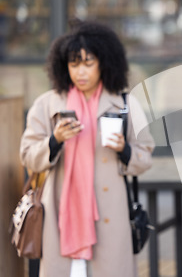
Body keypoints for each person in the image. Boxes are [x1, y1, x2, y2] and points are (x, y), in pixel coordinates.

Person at [19, 20, 155, 277]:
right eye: (74, 63)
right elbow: (27, 155)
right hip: (61, 215)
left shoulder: (124, 103)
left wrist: (124, 150)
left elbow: (145, 155)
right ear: (63, 66)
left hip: (110, 215)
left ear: (104, 62)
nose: (80, 71)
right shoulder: (47, 104)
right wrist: (54, 140)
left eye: (88, 63)